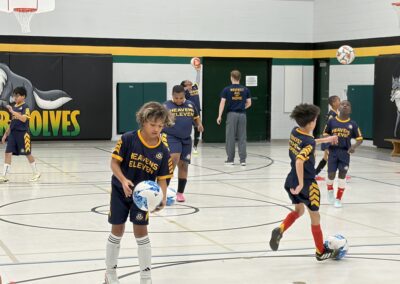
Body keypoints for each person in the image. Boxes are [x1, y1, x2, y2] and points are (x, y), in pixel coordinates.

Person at [105, 102, 174, 284]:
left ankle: (146, 278)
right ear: (143, 121)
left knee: (141, 232)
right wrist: (123, 179)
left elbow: (162, 178)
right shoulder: (128, 139)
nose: (156, 129)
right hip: (121, 191)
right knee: (117, 229)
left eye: (160, 126)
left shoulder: (162, 150)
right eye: (153, 125)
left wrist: (163, 198)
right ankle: (110, 274)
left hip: (143, 197)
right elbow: (114, 164)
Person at [269, 103, 339, 261]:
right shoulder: (309, 142)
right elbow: (300, 160)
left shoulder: (295, 131)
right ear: (311, 123)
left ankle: (280, 229)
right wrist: (302, 184)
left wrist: (327, 139)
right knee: (315, 217)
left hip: (291, 179)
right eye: (315, 120)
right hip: (306, 183)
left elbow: (310, 142)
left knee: (299, 211)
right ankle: (321, 251)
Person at [163, 85, 204, 202]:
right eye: (176, 98)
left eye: (181, 98)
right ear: (172, 96)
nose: (179, 100)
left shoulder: (191, 105)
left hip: (186, 139)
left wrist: (199, 124)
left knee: (183, 165)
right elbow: (159, 120)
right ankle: (163, 190)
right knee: (174, 159)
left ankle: (180, 193)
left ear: (184, 96)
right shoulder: (166, 106)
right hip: (170, 136)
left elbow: (196, 117)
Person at [323, 100, 363, 208]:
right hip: (333, 151)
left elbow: (360, 138)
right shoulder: (331, 122)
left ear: (350, 110)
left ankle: (338, 199)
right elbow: (325, 134)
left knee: (342, 176)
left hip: (345, 153)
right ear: (338, 108)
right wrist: (328, 140)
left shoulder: (353, 124)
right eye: (342, 104)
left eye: (348, 105)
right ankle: (330, 190)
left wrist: (353, 147)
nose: (345, 105)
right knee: (331, 175)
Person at [0, 86, 40, 183]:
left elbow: (24, 119)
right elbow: (12, 123)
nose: (15, 98)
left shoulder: (25, 107)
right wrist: (5, 135)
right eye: (14, 96)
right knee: (7, 153)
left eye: (17, 96)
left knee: (27, 153)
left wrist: (13, 111)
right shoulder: (14, 107)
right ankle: (4, 176)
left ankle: (36, 173)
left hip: (23, 134)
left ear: (23, 97)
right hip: (13, 135)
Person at [216, 70, 251, 166]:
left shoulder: (226, 89)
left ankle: (230, 160)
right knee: (242, 138)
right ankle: (243, 160)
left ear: (231, 77)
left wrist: (219, 116)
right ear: (240, 78)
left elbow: (222, 103)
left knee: (230, 138)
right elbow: (249, 103)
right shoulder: (245, 89)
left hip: (231, 114)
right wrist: (243, 107)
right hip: (242, 115)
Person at [315, 95, 340, 181]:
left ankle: (315, 174)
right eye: (338, 101)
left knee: (326, 158)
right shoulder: (332, 115)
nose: (339, 102)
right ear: (333, 103)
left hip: (332, 139)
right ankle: (340, 174)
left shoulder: (336, 113)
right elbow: (328, 128)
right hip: (329, 139)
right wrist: (330, 140)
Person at [181, 65, 201, 154]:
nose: (190, 82)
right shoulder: (183, 92)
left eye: (190, 82)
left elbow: (197, 80)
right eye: (188, 82)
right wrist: (186, 90)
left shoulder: (195, 87)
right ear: (184, 85)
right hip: (188, 113)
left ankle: (195, 146)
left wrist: (198, 71)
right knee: (186, 129)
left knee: (198, 128)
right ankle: (184, 144)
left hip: (197, 113)